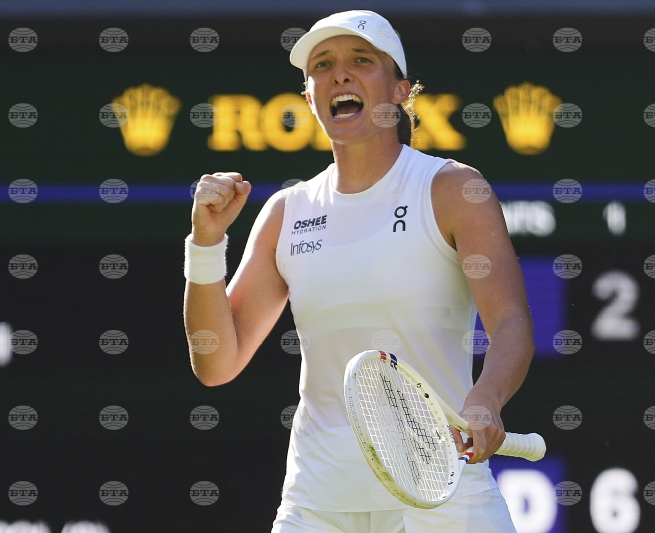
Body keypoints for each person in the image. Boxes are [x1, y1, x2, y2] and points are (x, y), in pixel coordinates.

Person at [183, 9, 534, 532]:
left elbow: (511, 322)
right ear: (310, 98)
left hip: (445, 501)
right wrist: (206, 244)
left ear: (400, 91)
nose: (340, 75)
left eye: (361, 61)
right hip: (316, 507)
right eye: (323, 65)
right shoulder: (285, 213)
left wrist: (486, 398)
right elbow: (216, 363)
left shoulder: (455, 190)